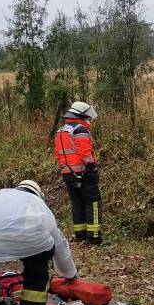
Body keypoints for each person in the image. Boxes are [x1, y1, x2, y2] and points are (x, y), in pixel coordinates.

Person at [54, 101, 102, 244]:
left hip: (67, 172)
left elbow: (58, 154)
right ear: (80, 115)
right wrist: (92, 167)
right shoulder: (80, 130)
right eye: (87, 117)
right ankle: (94, 238)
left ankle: (80, 235)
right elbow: (85, 152)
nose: (88, 120)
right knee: (92, 202)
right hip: (83, 171)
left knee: (77, 202)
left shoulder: (61, 130)